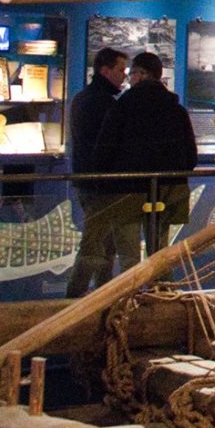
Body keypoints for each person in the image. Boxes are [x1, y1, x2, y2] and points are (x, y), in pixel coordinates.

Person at [93, 51, 197, 259]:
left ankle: (132, 283)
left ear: (141, 75)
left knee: (129, 258)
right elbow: (190, 157)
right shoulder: (176, 110)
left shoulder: (121, 108)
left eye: (131, 73)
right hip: (165, 190)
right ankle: (160, 281)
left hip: (126, 190)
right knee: (160, 257)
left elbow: (103, 151)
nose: (128, 78)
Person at [64, 47, 131, 296]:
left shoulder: (83, 98)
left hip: (89, 181)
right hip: (101, 186)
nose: (124, 75)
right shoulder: (104, 103)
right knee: (95, 246)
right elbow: (108, 146)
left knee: (103, 245)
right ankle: (74, 300)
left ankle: (101, 296)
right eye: (120, 70)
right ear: (105, 70)